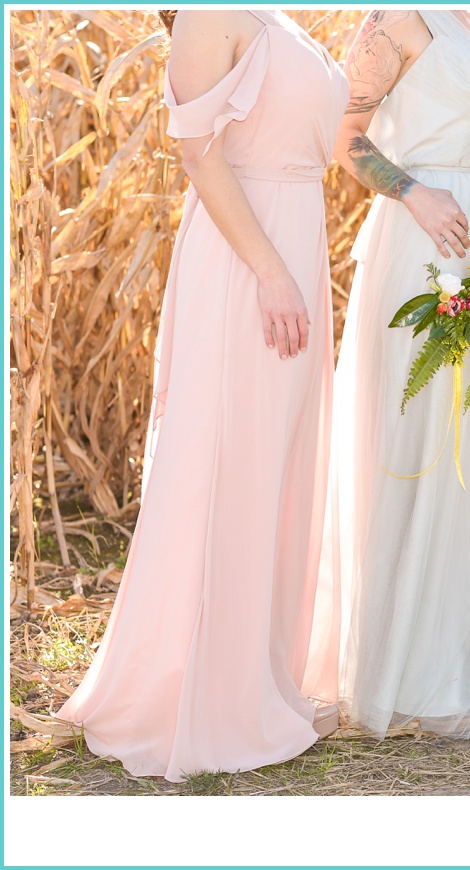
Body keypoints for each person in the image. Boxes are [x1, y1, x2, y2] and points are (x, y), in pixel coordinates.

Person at [56, 9, 348, 781]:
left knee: (272, 461)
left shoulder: (277, 17)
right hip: (246, 258)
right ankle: (212, 697)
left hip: (293, 236)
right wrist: (271, 271)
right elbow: (198, 151)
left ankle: (258, 680)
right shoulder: (211, 12)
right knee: (232, 458)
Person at [323, 9, 470, 737]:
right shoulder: (398, 19)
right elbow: (344, 139)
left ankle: (453, 654)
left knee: (467, 445)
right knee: (415, 444)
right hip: (420, 235)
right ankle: (404, 669)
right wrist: (415, 192)